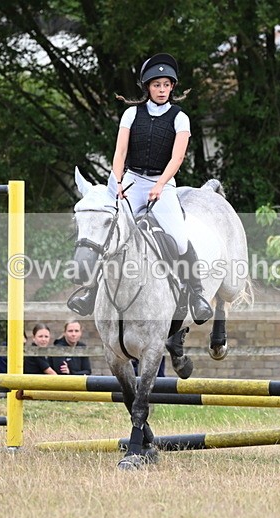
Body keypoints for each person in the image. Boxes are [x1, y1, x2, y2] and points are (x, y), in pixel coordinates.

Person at [109, 52, 212, 325]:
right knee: (108, 230)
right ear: (148, 87)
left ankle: (197, 293)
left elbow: (177, 158)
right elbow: (120, 153)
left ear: (172, 87)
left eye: (166, 85)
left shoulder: (180, 118)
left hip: (162, 183)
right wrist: (117, 182)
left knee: (178, 237)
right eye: (157, 85)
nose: (162, 90)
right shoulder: (132, 113)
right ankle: (91, 291)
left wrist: (160, 184)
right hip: (130, 180)